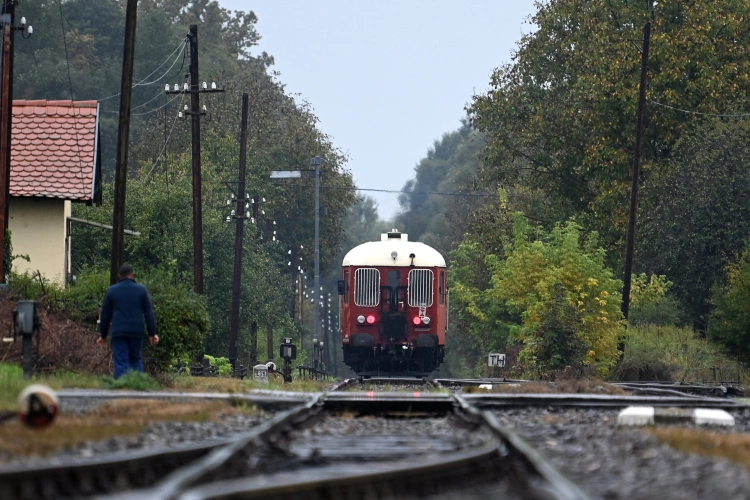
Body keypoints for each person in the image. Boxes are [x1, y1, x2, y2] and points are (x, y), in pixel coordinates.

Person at [97, 264, 159, 378]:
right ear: (133, 275)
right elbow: (149, 313)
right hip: (136, 331)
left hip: (119, 331)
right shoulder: (142, 290)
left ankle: (121, 387)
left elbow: (106, 315)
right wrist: (152, 333)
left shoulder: (112, 291)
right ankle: (137, 386)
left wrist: (103, 335)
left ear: (119, 276)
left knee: (121, 361)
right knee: (136, 359)